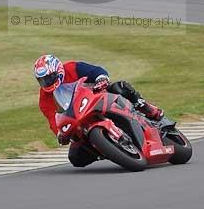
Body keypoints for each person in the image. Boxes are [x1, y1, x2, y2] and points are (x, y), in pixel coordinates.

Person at [34, 53, 164, 167]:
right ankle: (107, 150)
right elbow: (52, 119)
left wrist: (101, 78)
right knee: (75, 158)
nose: (47, 82)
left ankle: (147, 108)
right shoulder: (44, 99)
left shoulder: (71, 68)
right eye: (43, 80)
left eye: (49, 78)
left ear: (58, 70)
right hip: (78, 117)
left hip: (96, 97)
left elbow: (95, 71)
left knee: (119, 87)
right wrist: (60, 134)